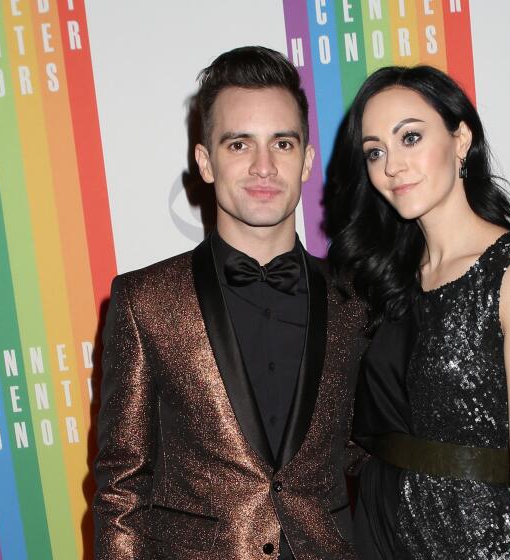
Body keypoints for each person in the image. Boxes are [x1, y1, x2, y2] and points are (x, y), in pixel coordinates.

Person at [93, 46, 367, 560]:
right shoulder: (144, 302)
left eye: (282, 143)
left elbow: (368, 454)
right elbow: (120, 486)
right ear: (206, 162)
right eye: (239, 144)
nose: (264, 166)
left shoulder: (355, 300)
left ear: (306, 160)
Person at [326, 65, 510, 559]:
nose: (392, 166)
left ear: (461, 140)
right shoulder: (379, 280)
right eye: (375, 151)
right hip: (379, 529)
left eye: (410, 137)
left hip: (471, 538)